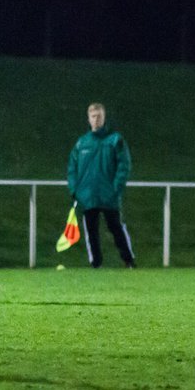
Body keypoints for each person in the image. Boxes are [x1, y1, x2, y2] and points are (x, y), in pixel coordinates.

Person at [67, 102, 136, 268]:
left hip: (108, 194)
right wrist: (74, 190)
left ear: (104, 118)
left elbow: (124, 165)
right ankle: (96, 263)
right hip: (88, 195)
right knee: (91, 232)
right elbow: (71, 167)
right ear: (88, 119)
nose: (96, 119)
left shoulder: (115, 140)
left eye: (99, 116)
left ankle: (129, 261)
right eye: (93, 116)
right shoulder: (81, 143)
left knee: (116, 228)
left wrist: (116, 188)